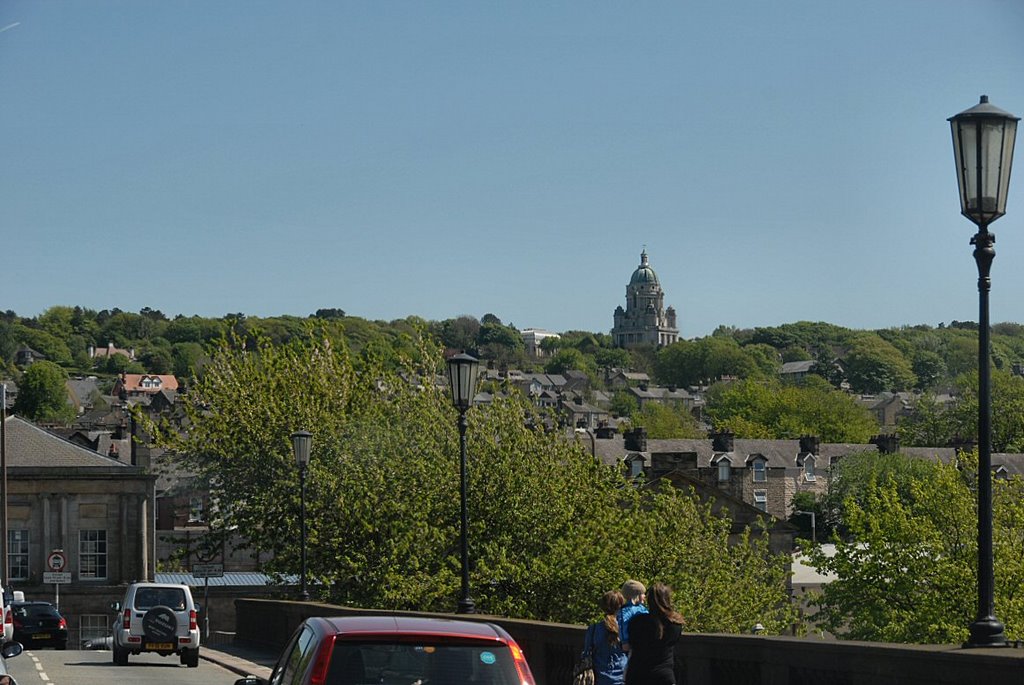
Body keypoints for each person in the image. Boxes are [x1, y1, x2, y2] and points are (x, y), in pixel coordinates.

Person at [623, 582, 684, 685]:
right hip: (663, 675)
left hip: (638, 675)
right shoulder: (675, 624)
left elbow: (631, 644)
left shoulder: (637, 622)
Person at [580, 590, 628, 685]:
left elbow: (586, 653)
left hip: (600, 677)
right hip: (622, 677)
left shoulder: (594, 629)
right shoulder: (625, 627)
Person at [616, 579, 648, 653]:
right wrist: (625, 642)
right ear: (636, 595)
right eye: (642, 593)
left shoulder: (642, 608)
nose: (644, 596)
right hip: (632, 646)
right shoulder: (625, 611)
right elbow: (623, 626)